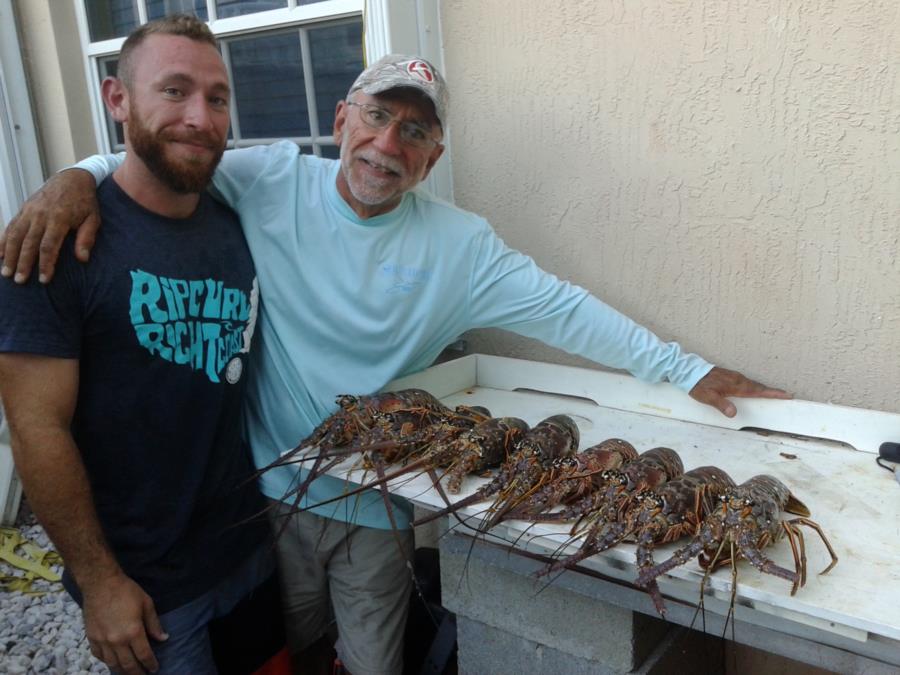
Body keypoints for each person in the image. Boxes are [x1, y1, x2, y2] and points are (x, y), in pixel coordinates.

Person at [0, 54, 789, 675]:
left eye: (413, 133)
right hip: (269, 495)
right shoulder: (270, 179)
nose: (387, 145)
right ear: (343, 117)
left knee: (373, 658)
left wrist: (688, 368)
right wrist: (74, 178)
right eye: (376, 116)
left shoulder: (463, 246)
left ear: (433, 155)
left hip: (381, 501)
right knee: (285, 642)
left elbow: (567, 309)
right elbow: (165, 162)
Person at [0, 15, 287, 675]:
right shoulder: (56, 246)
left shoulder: (233, 223)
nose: (200, 116)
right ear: (117, 100)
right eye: (175, 91)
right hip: (150, 586)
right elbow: (36, 427)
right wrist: (99, 582)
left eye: (217, 98)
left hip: (249, 547)